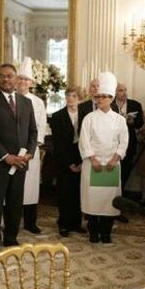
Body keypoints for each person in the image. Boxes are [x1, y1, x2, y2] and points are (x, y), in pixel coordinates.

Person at [0, 64, 37, 253]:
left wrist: (28, 153)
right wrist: (6, 156)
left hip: (20, 163)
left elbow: (33, 132)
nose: (6, 79)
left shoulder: (26, 103)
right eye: (2, 76)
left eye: (10, 76)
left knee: (15, 202)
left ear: (16, 79)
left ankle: (11, 237)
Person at [79, 72, 128, 244]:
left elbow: (124, 142)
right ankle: (93, 233)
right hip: (93, 165)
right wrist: (93, 160)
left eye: (103, 97)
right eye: (97, 97)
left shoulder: (119, 120)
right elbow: (84, 141)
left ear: (111, 98)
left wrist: (115, 159)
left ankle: (106, 234)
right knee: (92, 201)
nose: (99, 100)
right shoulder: (89, 118)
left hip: (111, 166)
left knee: (109, 203)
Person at [16, 57, 47, 234]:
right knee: (13, 189)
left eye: (26, 79)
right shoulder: (10, 99)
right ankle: (11, 220)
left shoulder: (37, 102)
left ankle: (30, 222)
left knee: (31, 188)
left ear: (31, 82)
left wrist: (30, 150)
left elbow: (40, 126)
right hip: (13, 152)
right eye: (20, 78)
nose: (23, 82)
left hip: (30, 152)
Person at [51, 86, 85, 237]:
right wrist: (69, 163)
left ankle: (76, 223)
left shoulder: (86, 114)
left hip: (81, 156)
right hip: (63, 158)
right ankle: (63, 224)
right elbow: (57, 143)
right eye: (68, 95)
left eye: (74, 96)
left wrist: (83, 161)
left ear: (80, 98)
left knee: (78, 192)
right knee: (64, 192)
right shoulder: (58, 116)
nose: (71, 98)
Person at [111, 83, 144, 188]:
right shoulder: (109, 105)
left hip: (129, 144)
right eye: (121, 90)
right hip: (112, 144)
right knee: (111, 172)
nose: (124, 92)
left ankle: (121, 194)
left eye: (125, 90)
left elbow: (140, 123)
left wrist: (132, 122)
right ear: (115, 92)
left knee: (125, 171)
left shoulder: (135, 105)